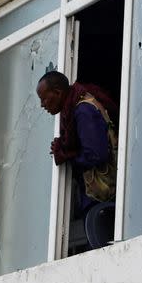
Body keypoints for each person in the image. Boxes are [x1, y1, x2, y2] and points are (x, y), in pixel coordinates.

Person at [36, 71, 118, 213]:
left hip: (100, 198)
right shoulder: (71, 110)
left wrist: (67, 155)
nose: (42, 105)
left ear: (57, 92)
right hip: (94, 197)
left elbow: (96, 154)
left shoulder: (83, 111)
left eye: (44, 99)